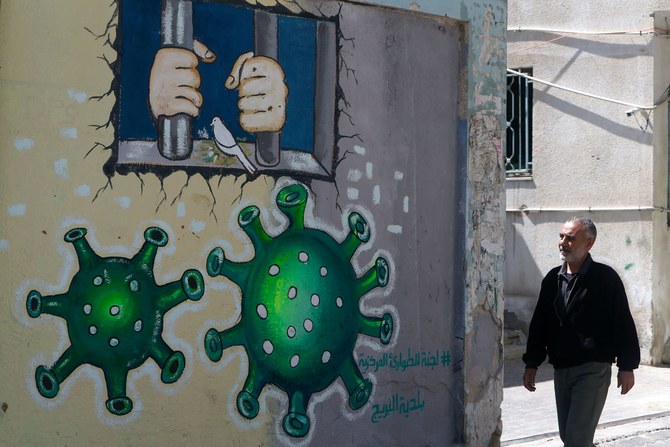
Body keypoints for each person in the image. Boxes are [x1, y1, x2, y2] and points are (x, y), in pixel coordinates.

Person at [522, 217, 640, 447]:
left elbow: (623, 323)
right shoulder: (552, 280)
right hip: (561, 369)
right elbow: (540, 324)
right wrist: (532, 362)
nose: (563, 242)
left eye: (570, 238)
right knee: (570, 435)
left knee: (576, 438)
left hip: (592, 369)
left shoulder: (605, 278)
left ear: (589, 244)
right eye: (561, 236)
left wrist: (627, 366)